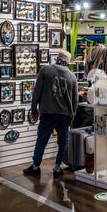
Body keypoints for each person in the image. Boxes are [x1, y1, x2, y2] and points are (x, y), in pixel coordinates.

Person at [23, 50, 78, 179]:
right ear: (68, 62)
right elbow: (75, 100)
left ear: (57, 59)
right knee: (62, 142)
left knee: (41, 141)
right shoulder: (72, 77)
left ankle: (35, 166)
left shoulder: (45, 70)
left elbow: (37, 92)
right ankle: (57, 167)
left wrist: (33, 108)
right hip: (65, 116)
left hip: (47, 113)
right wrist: (72, 117)